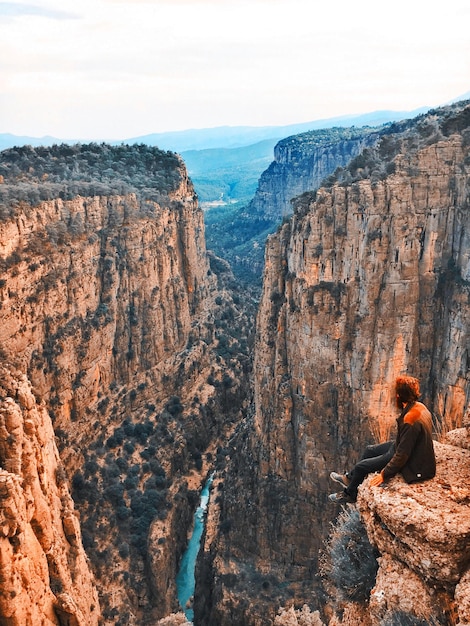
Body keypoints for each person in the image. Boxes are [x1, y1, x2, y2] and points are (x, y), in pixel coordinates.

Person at [328, 375, 436, 504]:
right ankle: (350, 479)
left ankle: (350, 494)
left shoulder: (409, 421)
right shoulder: (419, 406)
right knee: (370, 450)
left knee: (361, 467)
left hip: (416, 464)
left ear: (399, 396)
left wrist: (384, 474)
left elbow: (402, 455)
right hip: (409, 448)